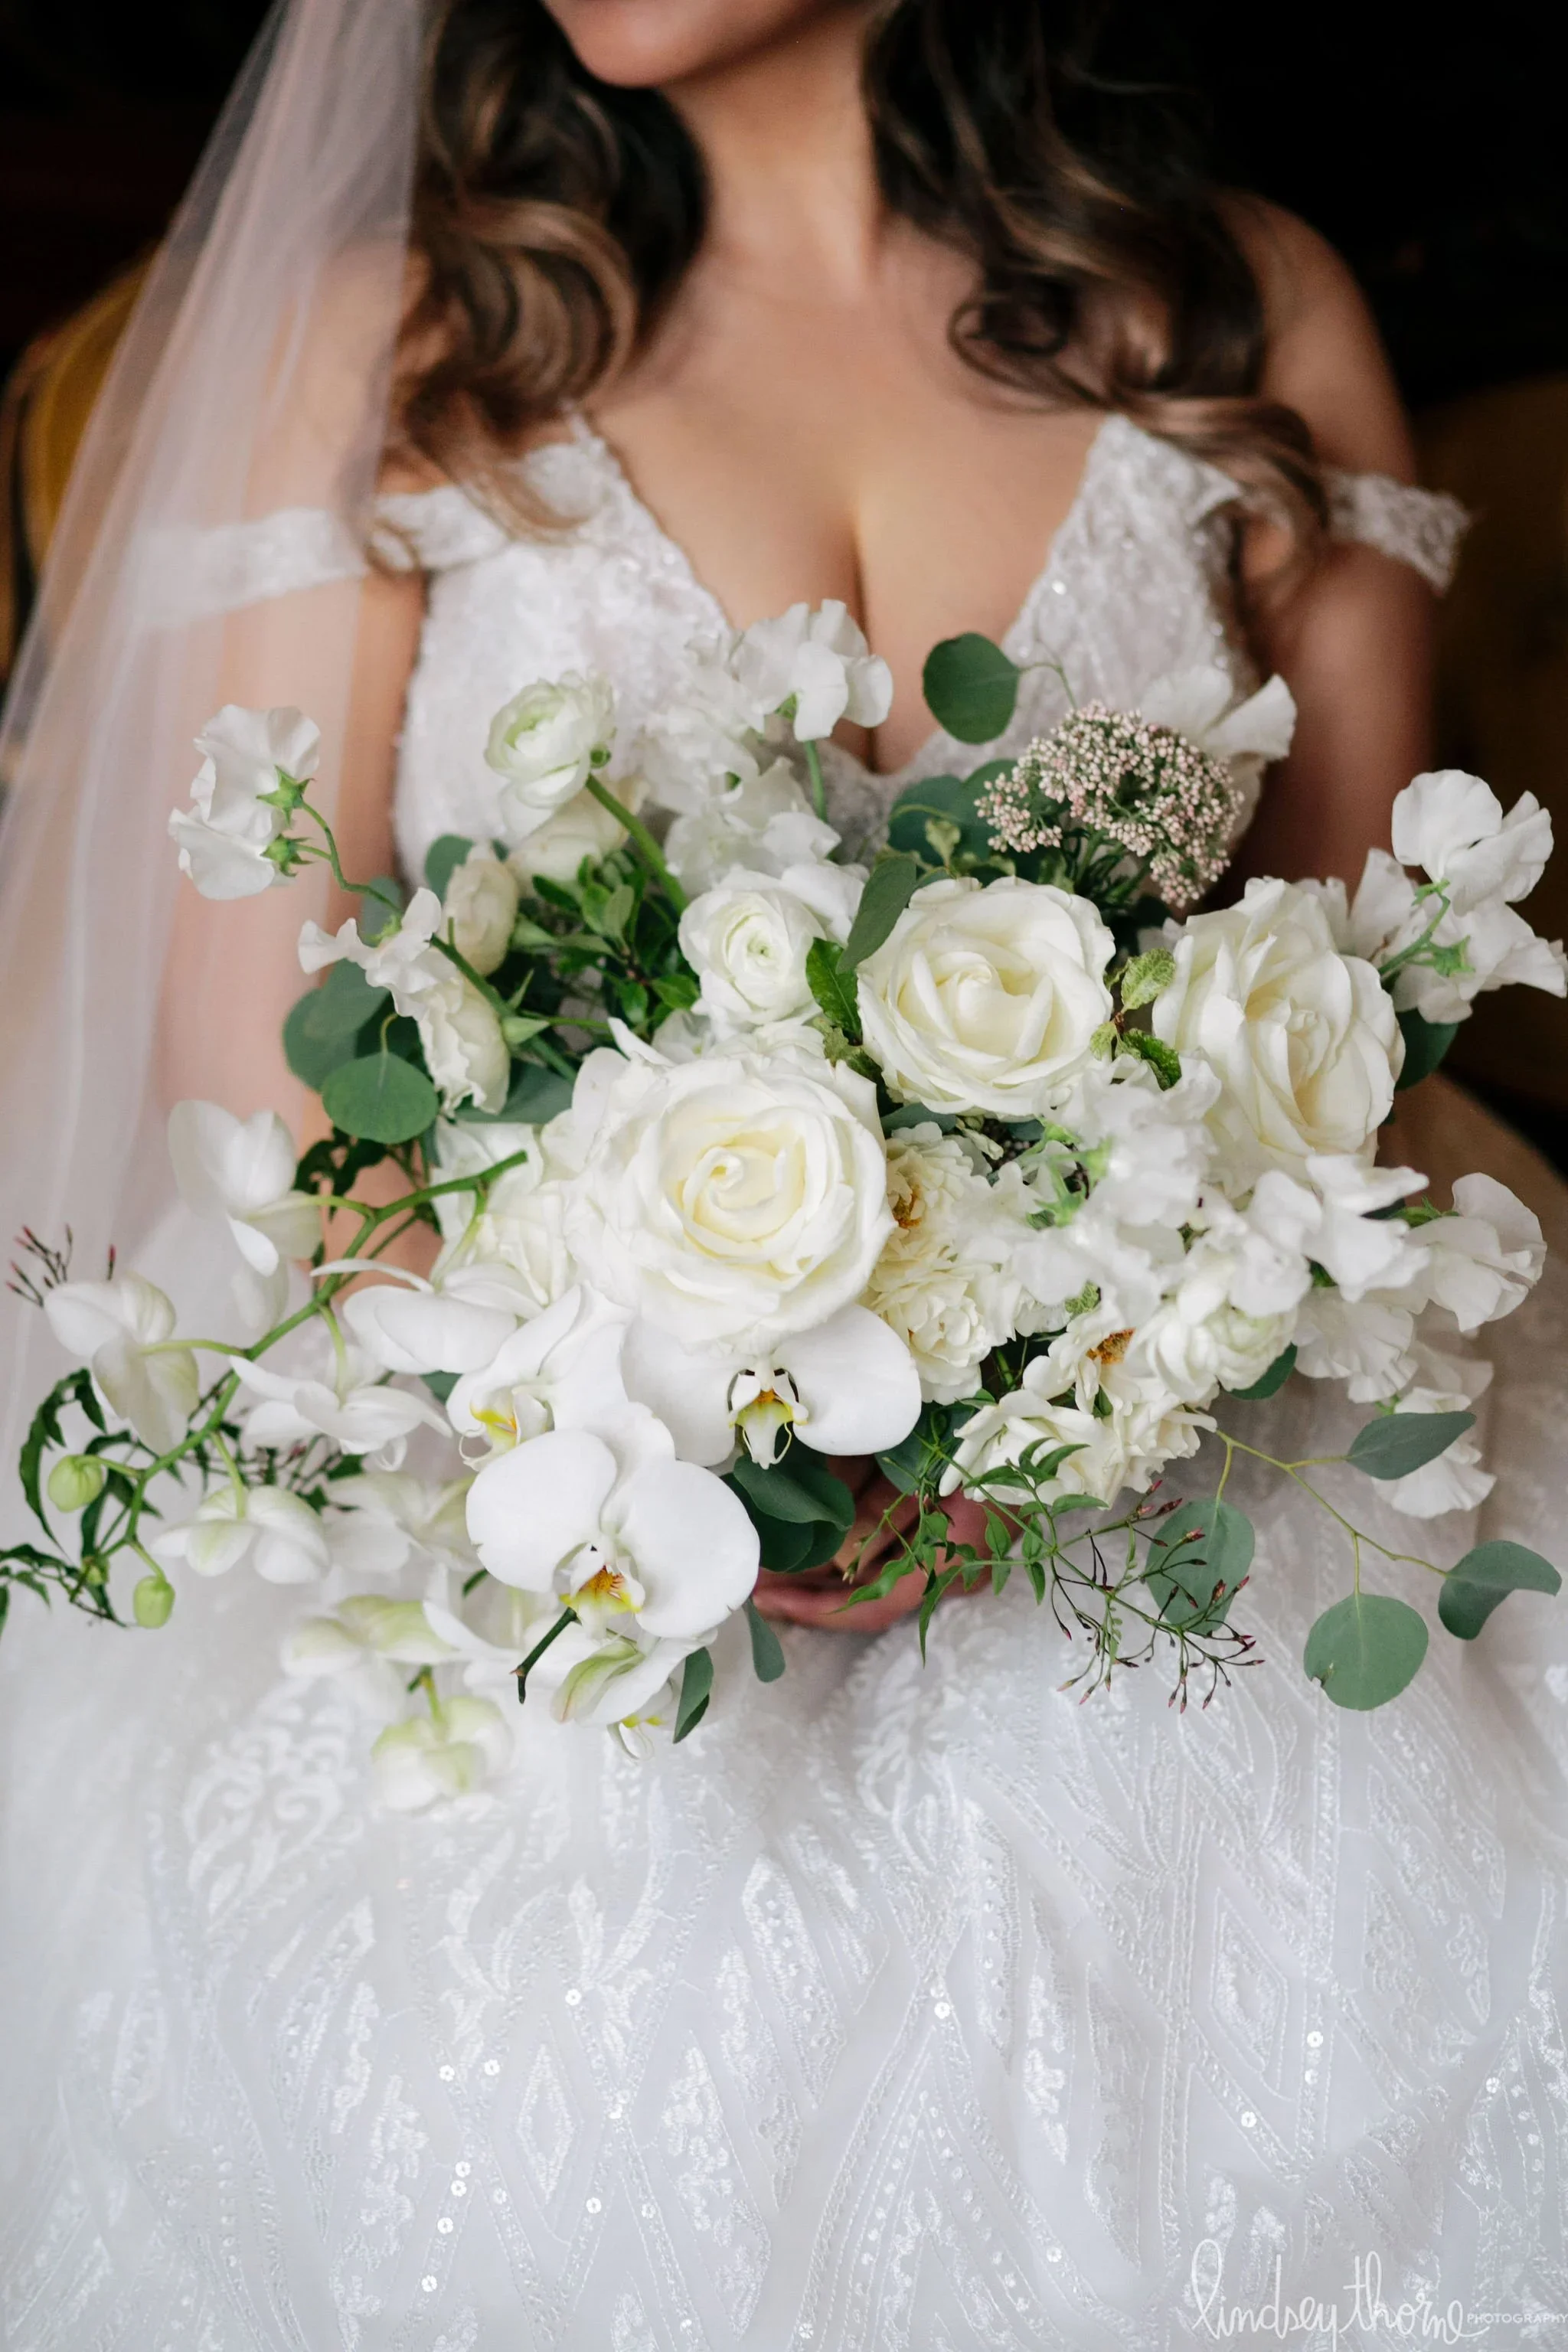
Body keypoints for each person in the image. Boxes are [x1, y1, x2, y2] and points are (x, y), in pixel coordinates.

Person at [0, 2, 1563, 2344]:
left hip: (1193, 1451)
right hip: (545, 1496)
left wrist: (1059, 1396)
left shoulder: (1236, 320)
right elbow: (283, 1122)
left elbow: (1357, 1026)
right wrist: (701, 1437)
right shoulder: (406, 345)